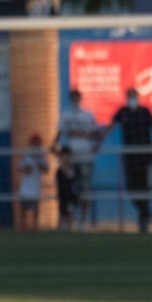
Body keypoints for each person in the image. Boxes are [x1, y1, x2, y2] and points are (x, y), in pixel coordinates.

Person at [98, 88, 152, 233]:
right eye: (129, 97)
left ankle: (143, 220)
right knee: (131, 187)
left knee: (144, 186)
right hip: (130, 155)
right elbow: (110, 126)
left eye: (133, 96)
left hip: (145, 155)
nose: (132, 99)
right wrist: (99, 141)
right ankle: (146, 211)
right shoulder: (123, 112)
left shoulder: (145, 112)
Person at [51, 89, 99, 228]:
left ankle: (82, 222)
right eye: (73, 97)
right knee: (69, 190)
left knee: (84, 189)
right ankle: (68, 221)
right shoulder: (66, 115)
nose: (75, 100)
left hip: (85, 157)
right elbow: (59, 132)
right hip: (70, 158)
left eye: (77, 97)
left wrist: (95, 143)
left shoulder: (88, 115)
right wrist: (53, 145)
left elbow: (95, 134)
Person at [16, 133, 48, 232]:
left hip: (35, 186)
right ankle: (23, 226)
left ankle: (35, 226)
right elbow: (20, 167)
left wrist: (39, 163)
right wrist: (26, 169)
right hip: (25, 187)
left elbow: (46, 169)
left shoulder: (41, 156)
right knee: (23, 208)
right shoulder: (26, 155)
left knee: (35, 208)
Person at [54, 145, 79, 232]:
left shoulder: (71, 170)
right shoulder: (58, 171)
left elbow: (71, 180)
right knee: (61, 213)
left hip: (70, 197)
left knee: (69, 214)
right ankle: (61, 228)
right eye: (63, 156)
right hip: (61, 196)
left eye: (67, 156)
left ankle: (70, 228)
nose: (65, 158)